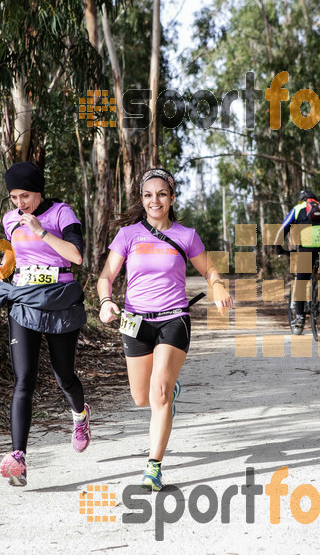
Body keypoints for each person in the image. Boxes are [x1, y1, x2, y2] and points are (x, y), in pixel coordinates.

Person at [97, 167, 233, 491]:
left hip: (174, 318)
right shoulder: (128, 235)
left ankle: (153, 467)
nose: (154, 200)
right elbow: (106, 276)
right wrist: (104, 301)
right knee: (142, 397)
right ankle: (169, 391)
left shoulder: (186, 235)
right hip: (135, 321)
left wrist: (217, 286)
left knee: (158, 390)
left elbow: (210, 268)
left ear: (172, 197)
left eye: (161, 194)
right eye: (147, 195)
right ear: (141, 200)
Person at [0, 162, 89, 487]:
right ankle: (19, 458)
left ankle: (80, 415)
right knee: (23, 379)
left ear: (38, 191)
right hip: (25, 300)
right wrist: (0, 271)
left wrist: (41, 229)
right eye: (14, 197)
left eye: (25, 196)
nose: (20, 204)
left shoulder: (62, 213)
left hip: (60, 300)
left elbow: (77, 256)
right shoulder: (9, 220)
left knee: (64, 375)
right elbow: (16, 255)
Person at [274, 188, 320, 334]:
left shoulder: (298, 208)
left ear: (301, 200)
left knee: (301, 281)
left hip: (308, 246)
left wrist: (278, 247)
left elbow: (283, 228)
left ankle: (300, 317)